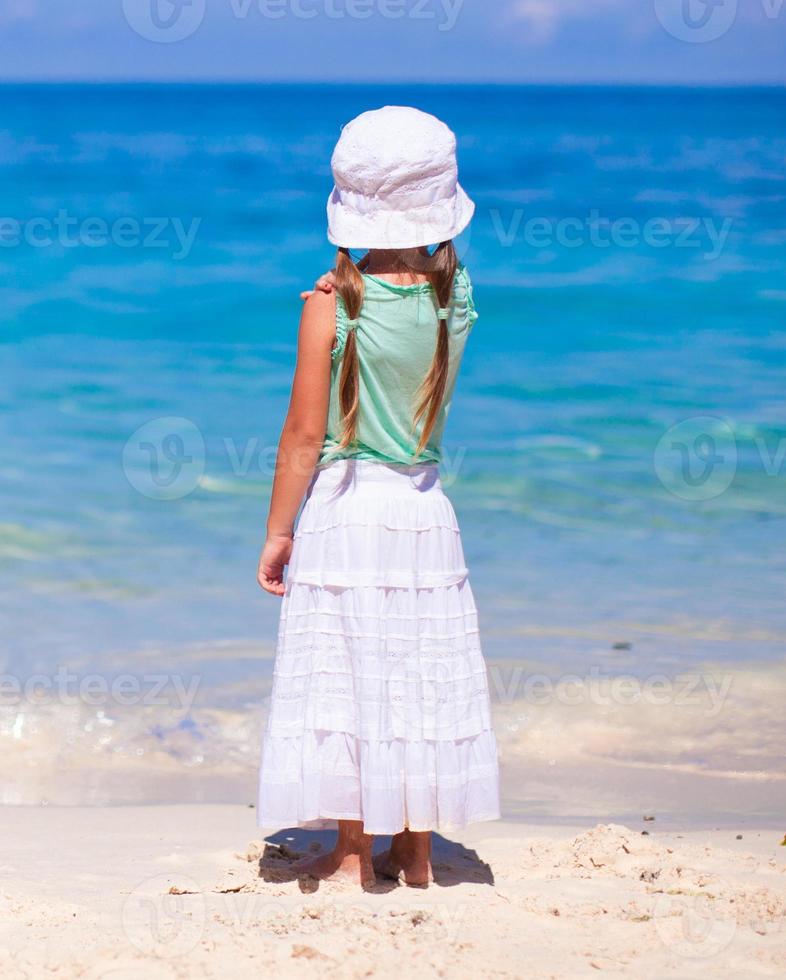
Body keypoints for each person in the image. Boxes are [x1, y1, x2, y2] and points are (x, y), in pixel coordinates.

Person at [255, 106, 500, 888]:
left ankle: (357, 852)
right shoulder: (454, 295)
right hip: (425, 507)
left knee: (354, 673)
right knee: (416, 672)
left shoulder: (331, 305)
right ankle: (417, 851)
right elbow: (430, 279)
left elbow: (302, 434)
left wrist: (276, 530)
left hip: (346, 504)